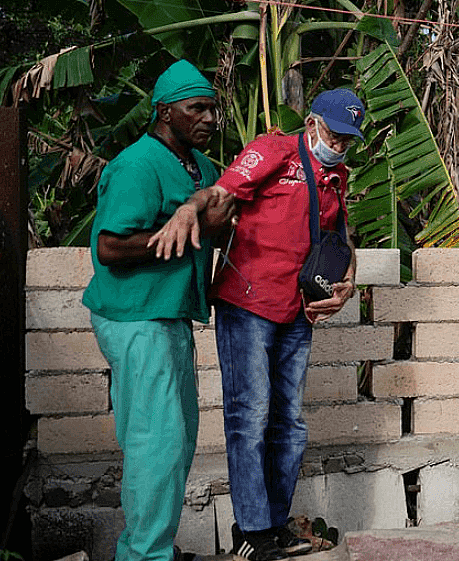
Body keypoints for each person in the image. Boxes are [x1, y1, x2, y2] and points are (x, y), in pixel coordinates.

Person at [149, 88, 363, 560]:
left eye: (348, 139)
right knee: (250, 417)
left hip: (296, 310)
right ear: (311, 123)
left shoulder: (337, 175)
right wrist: (190, 207)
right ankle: (251, 532)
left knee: (290, 424)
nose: (340, 145)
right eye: (334, 134)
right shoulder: (273, 150)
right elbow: (222, 191)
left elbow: (341, 237)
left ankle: (274, 523)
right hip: (247, 304)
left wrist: (349, 282)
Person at [82, 60, 235, 561]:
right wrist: (185, 233)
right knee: (156, 443)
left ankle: (151, 548)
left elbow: (219, 214)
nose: (210, 117)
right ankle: (144, 556)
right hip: (135, 316)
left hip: (166, 316)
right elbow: (108, 247)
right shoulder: (138, 164)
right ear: (164, 111)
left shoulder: (201, 167)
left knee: (175, 441)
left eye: (213, 108)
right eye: (197, 108)